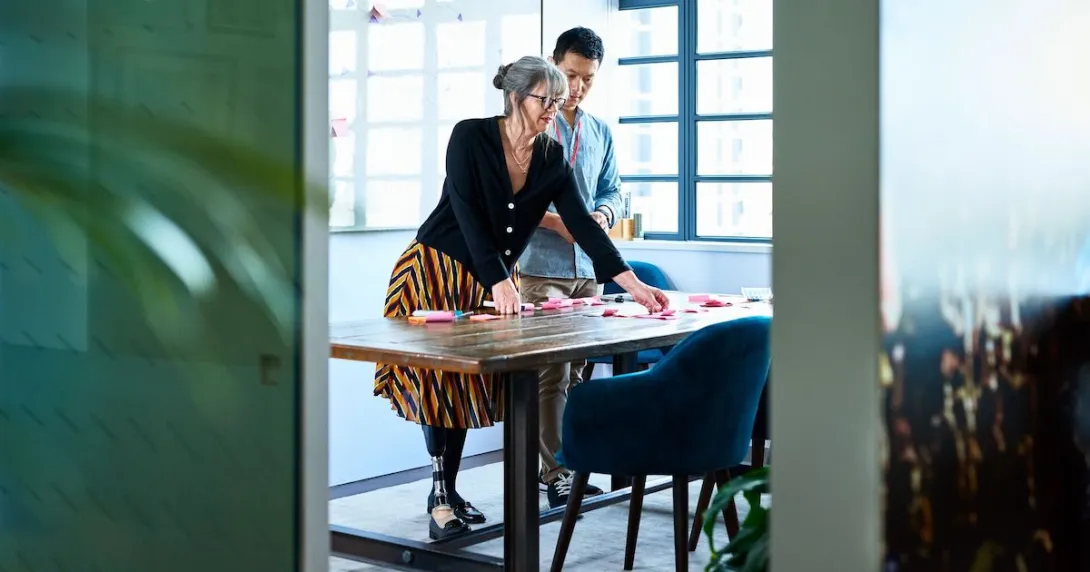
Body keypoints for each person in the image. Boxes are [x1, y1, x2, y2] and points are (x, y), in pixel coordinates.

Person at [372, 55, 670, 540]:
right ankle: (442, 497)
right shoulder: (470, 137)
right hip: (435, 269)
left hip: (489, 279)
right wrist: (499, 278)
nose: (555, 108)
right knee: (437, 385)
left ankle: (446, 491)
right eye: (545, 99)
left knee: (463, 391)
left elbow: (580, 224)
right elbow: (467, 213)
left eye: (559, 100)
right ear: (515, 97)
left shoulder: (551, 156)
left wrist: (631, 283)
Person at [516, 27, 623, 508]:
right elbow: (513, 196)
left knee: (578, 371)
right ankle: (556, 473)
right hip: (541, 267)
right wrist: (559, 223)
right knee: (552, 372)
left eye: (588, 79)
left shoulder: (600, 131)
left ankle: (568, 463)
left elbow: (613, 189)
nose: (577, 87)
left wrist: (604, 215)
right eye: (570, 74)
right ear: (552, 64)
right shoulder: (534, 123)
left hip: (587, 269)